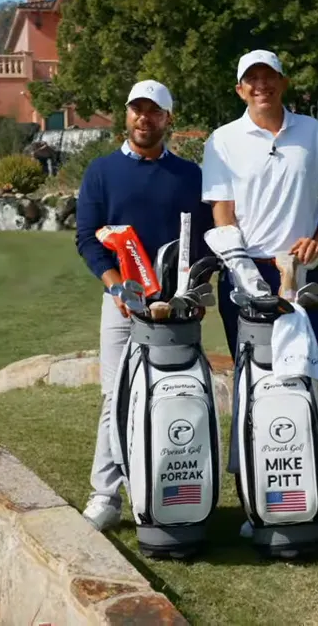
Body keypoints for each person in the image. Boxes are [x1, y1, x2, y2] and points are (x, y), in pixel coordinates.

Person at [200, 49, 318, 551]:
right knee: (252, 390)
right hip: (245, 279)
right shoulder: (223, 140)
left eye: (268, 77)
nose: (261, 86)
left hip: (302, 278)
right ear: (239, 89)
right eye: (251, 80)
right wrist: (243, 267)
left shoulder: (311, 133)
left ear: (283, 82)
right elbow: (223, 213)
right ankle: (258, 503)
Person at [74, 79, 214, 531]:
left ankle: (158, 485)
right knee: (115, 397)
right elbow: (87, 238)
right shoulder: (101, 171)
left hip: (176, 306)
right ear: (126, 114)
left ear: (167, 119)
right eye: (137, 109)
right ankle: (105, 495)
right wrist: (118, 288)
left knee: (174, 396)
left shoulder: (190, 176)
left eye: (153, 111)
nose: (144, 118)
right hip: (121, 304)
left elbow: (205, 241)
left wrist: (197, 288)